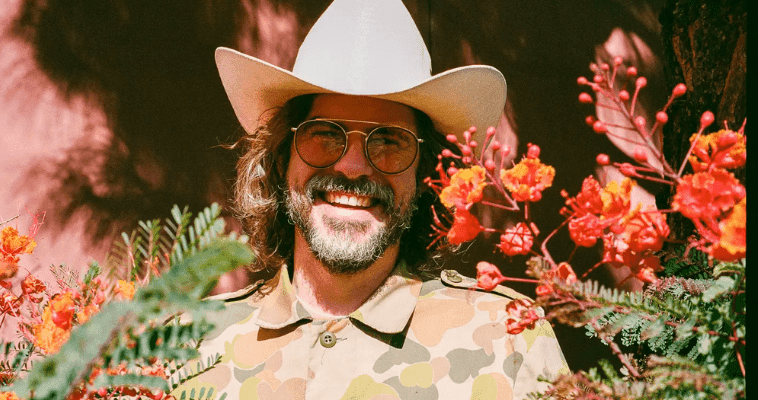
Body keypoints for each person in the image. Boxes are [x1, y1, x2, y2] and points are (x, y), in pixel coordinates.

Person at [172, 0, 568, 398]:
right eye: (326, 134)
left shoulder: (509, 339)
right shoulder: (186, 349)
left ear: (424, 175)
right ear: (281, 158)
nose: (352, 167)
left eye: (388, 141)